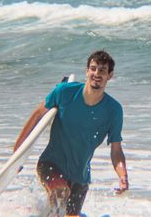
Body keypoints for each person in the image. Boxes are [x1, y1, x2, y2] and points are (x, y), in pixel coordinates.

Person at [13, 50, 128, 217]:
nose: (97, 74)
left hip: (80, 178)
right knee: (60, 192)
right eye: (93, 69)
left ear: (110, 75)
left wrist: (123, 176)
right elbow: (38, 115)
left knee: (68, 213)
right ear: (87, 71)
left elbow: (116, 150)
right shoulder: (64, 92)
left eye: (102, 70)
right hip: (51, 164)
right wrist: (17, 153)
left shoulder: (114, 110)